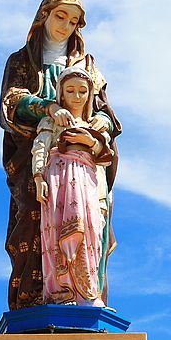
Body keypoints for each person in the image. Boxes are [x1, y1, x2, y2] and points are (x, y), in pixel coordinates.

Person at [0, 0, 121, 310]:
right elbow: (11, 102)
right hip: (38, 162)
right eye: (60, 16)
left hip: (84, 164)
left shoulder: (87, 65)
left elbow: (105, 112)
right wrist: (47, 109)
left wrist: (101, 126)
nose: (65, 26)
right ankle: (38, 302)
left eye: (73, 21)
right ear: (45, 15)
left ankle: (85, 295)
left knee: (89, 222)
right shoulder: (23, 61)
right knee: (35, 220)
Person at [32, 66, 113, 306]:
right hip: (59, 178)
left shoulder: (95, 125)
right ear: (61, 94)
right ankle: (61, 292)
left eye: (82, 91)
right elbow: (40, 147)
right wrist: (38, 178)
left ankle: (87, 293)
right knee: (58, 231)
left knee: (90, 231)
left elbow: (105, 156)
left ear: (89, 94)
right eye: (70, 91)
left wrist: (91, 142)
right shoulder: (52, 121)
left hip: (88, 181)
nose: (77, 97)